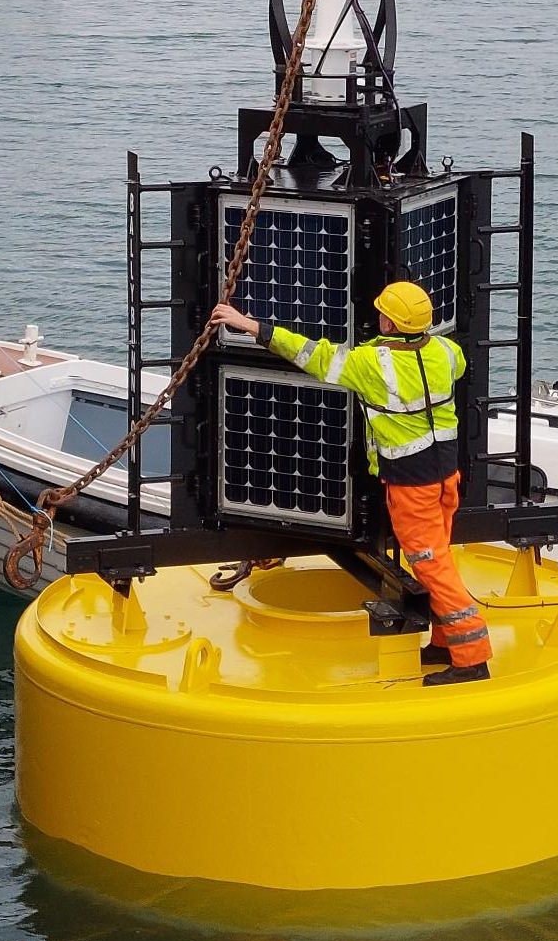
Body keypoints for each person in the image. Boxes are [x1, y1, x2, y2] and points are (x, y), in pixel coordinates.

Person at [209, 281, 493, 686]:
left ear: (391, 325)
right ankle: (446, 642)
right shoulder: (448, 353)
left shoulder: (372, 365)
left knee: (431, 567)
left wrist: (250, 325)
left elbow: (312, 355)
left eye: (383, 314)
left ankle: (472, 657)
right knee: (440, 560)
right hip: (446, 477)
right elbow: (453, 369)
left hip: (411, 486)